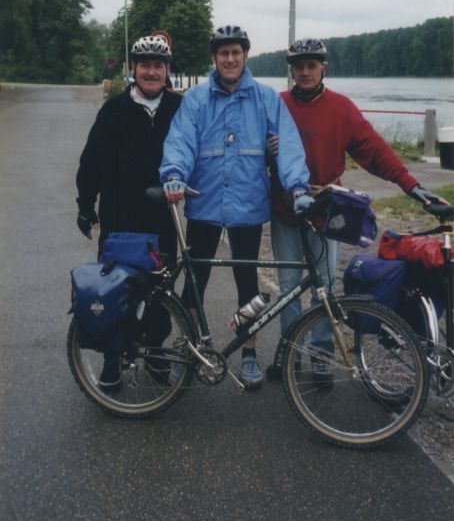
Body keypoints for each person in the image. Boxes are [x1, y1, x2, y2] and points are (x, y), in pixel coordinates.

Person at [269, 37, 445, 382]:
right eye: (299, 66)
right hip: (286, 209)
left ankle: (321, 355)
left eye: (312, 65)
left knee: (324, 285)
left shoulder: (342, 108)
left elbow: (375, 151)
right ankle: (289, 353)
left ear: (324, 69)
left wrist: (411, 185)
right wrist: (265, 147)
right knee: (288, 285)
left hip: (325, 211)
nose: (305, 72)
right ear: (291, 71)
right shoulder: (277, 104)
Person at [160, 25, 311, 388]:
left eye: (236, 53)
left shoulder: (265, 98)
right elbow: (179, 140)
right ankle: (189, 350)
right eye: (223, 53)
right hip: (204, 203)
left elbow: (288, 145)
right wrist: (175, 174)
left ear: (245, 57)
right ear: (215, 58)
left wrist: (298, 187)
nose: (230, 59)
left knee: (248, 286)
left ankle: (248, 355)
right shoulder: (195, 100)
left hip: (247, 205)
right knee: (194, 282)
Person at [76, 33, 182, 390]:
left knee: (160, 289)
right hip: (120, 217)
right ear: (133, 69)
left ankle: (154, 349)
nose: (151, 72)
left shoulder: (177, 108)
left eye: (158, 65)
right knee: (118, 290)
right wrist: (84, 204)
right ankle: (112, 358)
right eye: (145, 65)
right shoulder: (115, 109)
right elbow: (91, 160)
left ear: (167, 71)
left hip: (163, 218)